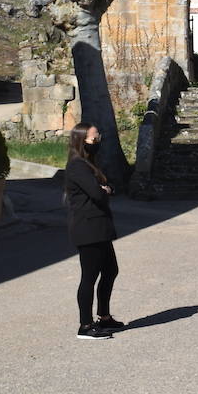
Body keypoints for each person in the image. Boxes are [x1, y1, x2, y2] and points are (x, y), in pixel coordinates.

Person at [65, 123, 123, 340]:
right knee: (89, 277)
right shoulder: (77, 166)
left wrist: (105, 189)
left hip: (99, 227)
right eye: (93, 139)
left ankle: (104, 317)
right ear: (82, 141)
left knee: (110, 270)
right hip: (87, 228)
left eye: (98, 137)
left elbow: (109, 188)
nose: (97, 142)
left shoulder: (89, 164)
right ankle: (85, 325)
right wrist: (104, 190)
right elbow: (97, 194)